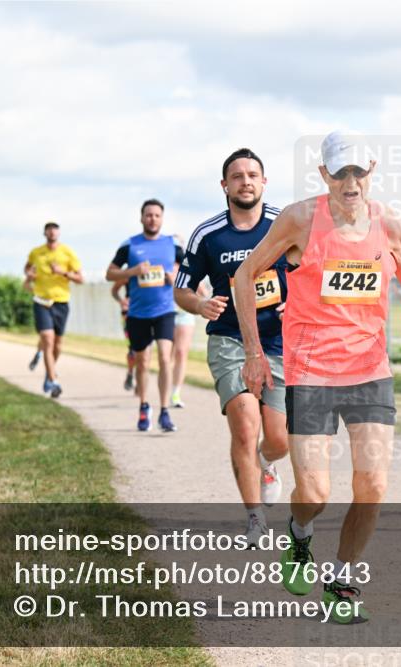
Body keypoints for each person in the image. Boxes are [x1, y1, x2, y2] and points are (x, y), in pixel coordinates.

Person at [234, 132, 401, 622]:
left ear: (371, 170)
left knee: (373, 485)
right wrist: (255, 353)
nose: (350, 182)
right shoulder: (300, 219)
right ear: (323, 175)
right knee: (316, 493)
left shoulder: (387, 223)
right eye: (339, 172)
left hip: (369, 371)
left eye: (357, 172)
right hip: (311, 371)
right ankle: (299, 535)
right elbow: (244, 277)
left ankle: (342, 579)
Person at [175, 148, 290, 546]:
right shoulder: (209, 235)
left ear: (264, 181)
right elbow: (181, 290)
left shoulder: (284, 225)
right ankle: (255, 517)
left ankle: (267, 465)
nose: (246, 181)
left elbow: (312, 268)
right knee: (245, 426)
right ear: (224, 185)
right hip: (229, 339)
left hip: (277, 341)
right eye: (237, 176)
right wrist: (200, 304)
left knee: (279, 439)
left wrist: (300, 300)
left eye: (253, 174)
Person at [106, 199, 180, 433]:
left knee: (165, 359)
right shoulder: (130, 245)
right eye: (148, 215)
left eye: (156, 215)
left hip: (165, 310)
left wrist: (174, 277)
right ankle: (144, 405)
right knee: (143, 362)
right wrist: (132, 272)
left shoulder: (172, 244)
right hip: (138, 313)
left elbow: (189, 270)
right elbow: (110, 273)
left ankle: (165, 410)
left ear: (162, 218)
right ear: (141, 218)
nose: (152, 219)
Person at [25, 222, 83, 398]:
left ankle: (48, 373)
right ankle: (53, 380)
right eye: (49, 229)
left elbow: (80, 278)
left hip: (61, 302)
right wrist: (30, 275)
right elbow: (27, 267)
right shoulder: (36, 252)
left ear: (58, 233)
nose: (52, 232)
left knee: (58, 344)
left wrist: (63, 273)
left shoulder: (67, 252)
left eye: (55, 229)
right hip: (41, 300)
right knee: (47, 340)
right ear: (45, 233)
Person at [169, 235, 206, 408]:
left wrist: (201, 301)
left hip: (184, 314)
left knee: (181, 353)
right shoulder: (162, 266)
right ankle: (164, 386)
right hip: (166, 313)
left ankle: (176, 393)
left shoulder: (188, 267)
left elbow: (202, 291)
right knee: (167, 355)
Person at [111, 278, 138, 392]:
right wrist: (122, 301)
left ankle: (140, 379)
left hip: (149, 312)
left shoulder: (156, 268)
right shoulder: (129, 273)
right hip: (129, 313)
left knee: (145, 349)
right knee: (132, 349)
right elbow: (114, 290)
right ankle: (131, 373)